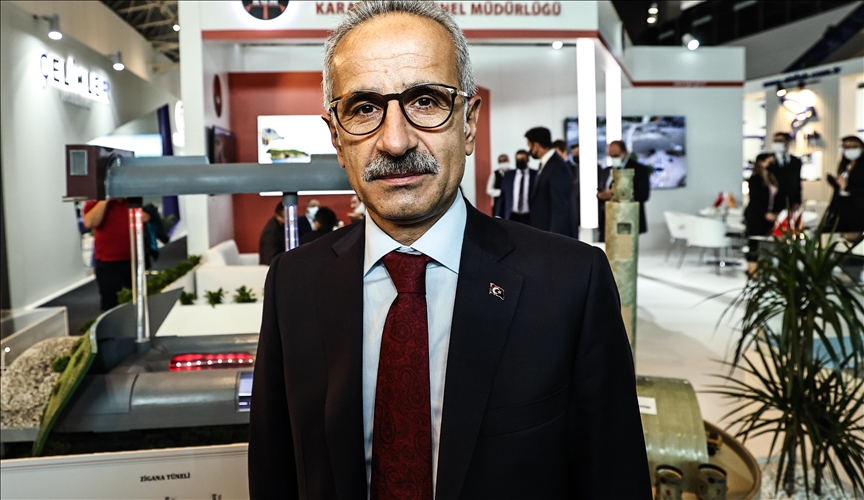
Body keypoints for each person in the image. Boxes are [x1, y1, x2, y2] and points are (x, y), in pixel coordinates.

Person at [248, 2, 650, 499]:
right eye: (364, 108)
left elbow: (614, 479)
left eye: (425, 101)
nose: (395, 141)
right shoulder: (293, 283)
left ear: (469, 122)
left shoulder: (570, 283)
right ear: (336, 136)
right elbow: (275, 471)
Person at [525, 127, 575, 237]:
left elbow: (560, 208)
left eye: (530, 146)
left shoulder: (557, 167)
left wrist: (552, 239)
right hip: (543, 231)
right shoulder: (546, 165)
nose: (530, 151)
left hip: (552, 235)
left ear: (536, 145)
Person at [83, 199, 132, 311]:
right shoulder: (97, 200)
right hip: (108, 262)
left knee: (137, 299)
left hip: (134, 259)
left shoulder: (130, 197)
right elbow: (89, 223)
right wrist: (106, 200)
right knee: (110, 303)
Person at [597, 140, 651, 241]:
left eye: (616, 155)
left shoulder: (639, 170)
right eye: (611, 156)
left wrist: (616, 195)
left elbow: (643, 195)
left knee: (624, 248)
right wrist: (601, 195)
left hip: (627, 219)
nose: (613, 158)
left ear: (625, 153)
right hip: (608, 220)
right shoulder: (606, 171)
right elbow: (601, 190)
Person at [744, 153, 779, 275]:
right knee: (754, 242)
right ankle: (752, 270)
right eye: (769, 161)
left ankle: (767, 268)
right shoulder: (755, 179)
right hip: (756, 215)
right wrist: (765, 213)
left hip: (770, 215)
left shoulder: (771, 177)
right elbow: (755, 199)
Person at [826, 135, 864, 239]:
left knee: (852, 238)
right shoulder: (844, 165)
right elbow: (841, 188)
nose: (850, 150)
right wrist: (835, 183)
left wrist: (847, 187)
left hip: (857, 211)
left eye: (854, 146)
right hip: (840, 209)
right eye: (846, 147)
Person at [497, 149, 535, 224]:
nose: (520, 161)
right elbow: (502, 197)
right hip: (512, 215)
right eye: (518, 159)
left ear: (527, 160)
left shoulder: (535, 175)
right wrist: (498, 215)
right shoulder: (509, 175)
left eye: (522, 159)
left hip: (529, 216)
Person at [768, 132, 803, 213]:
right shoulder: (768, 161)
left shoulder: (795, 161)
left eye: (780, 141)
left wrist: (798, 200)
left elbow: (797, 182)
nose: (777, 143)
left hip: (790, 202)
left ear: (787, 142)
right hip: (773, 203)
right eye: (775, 141)